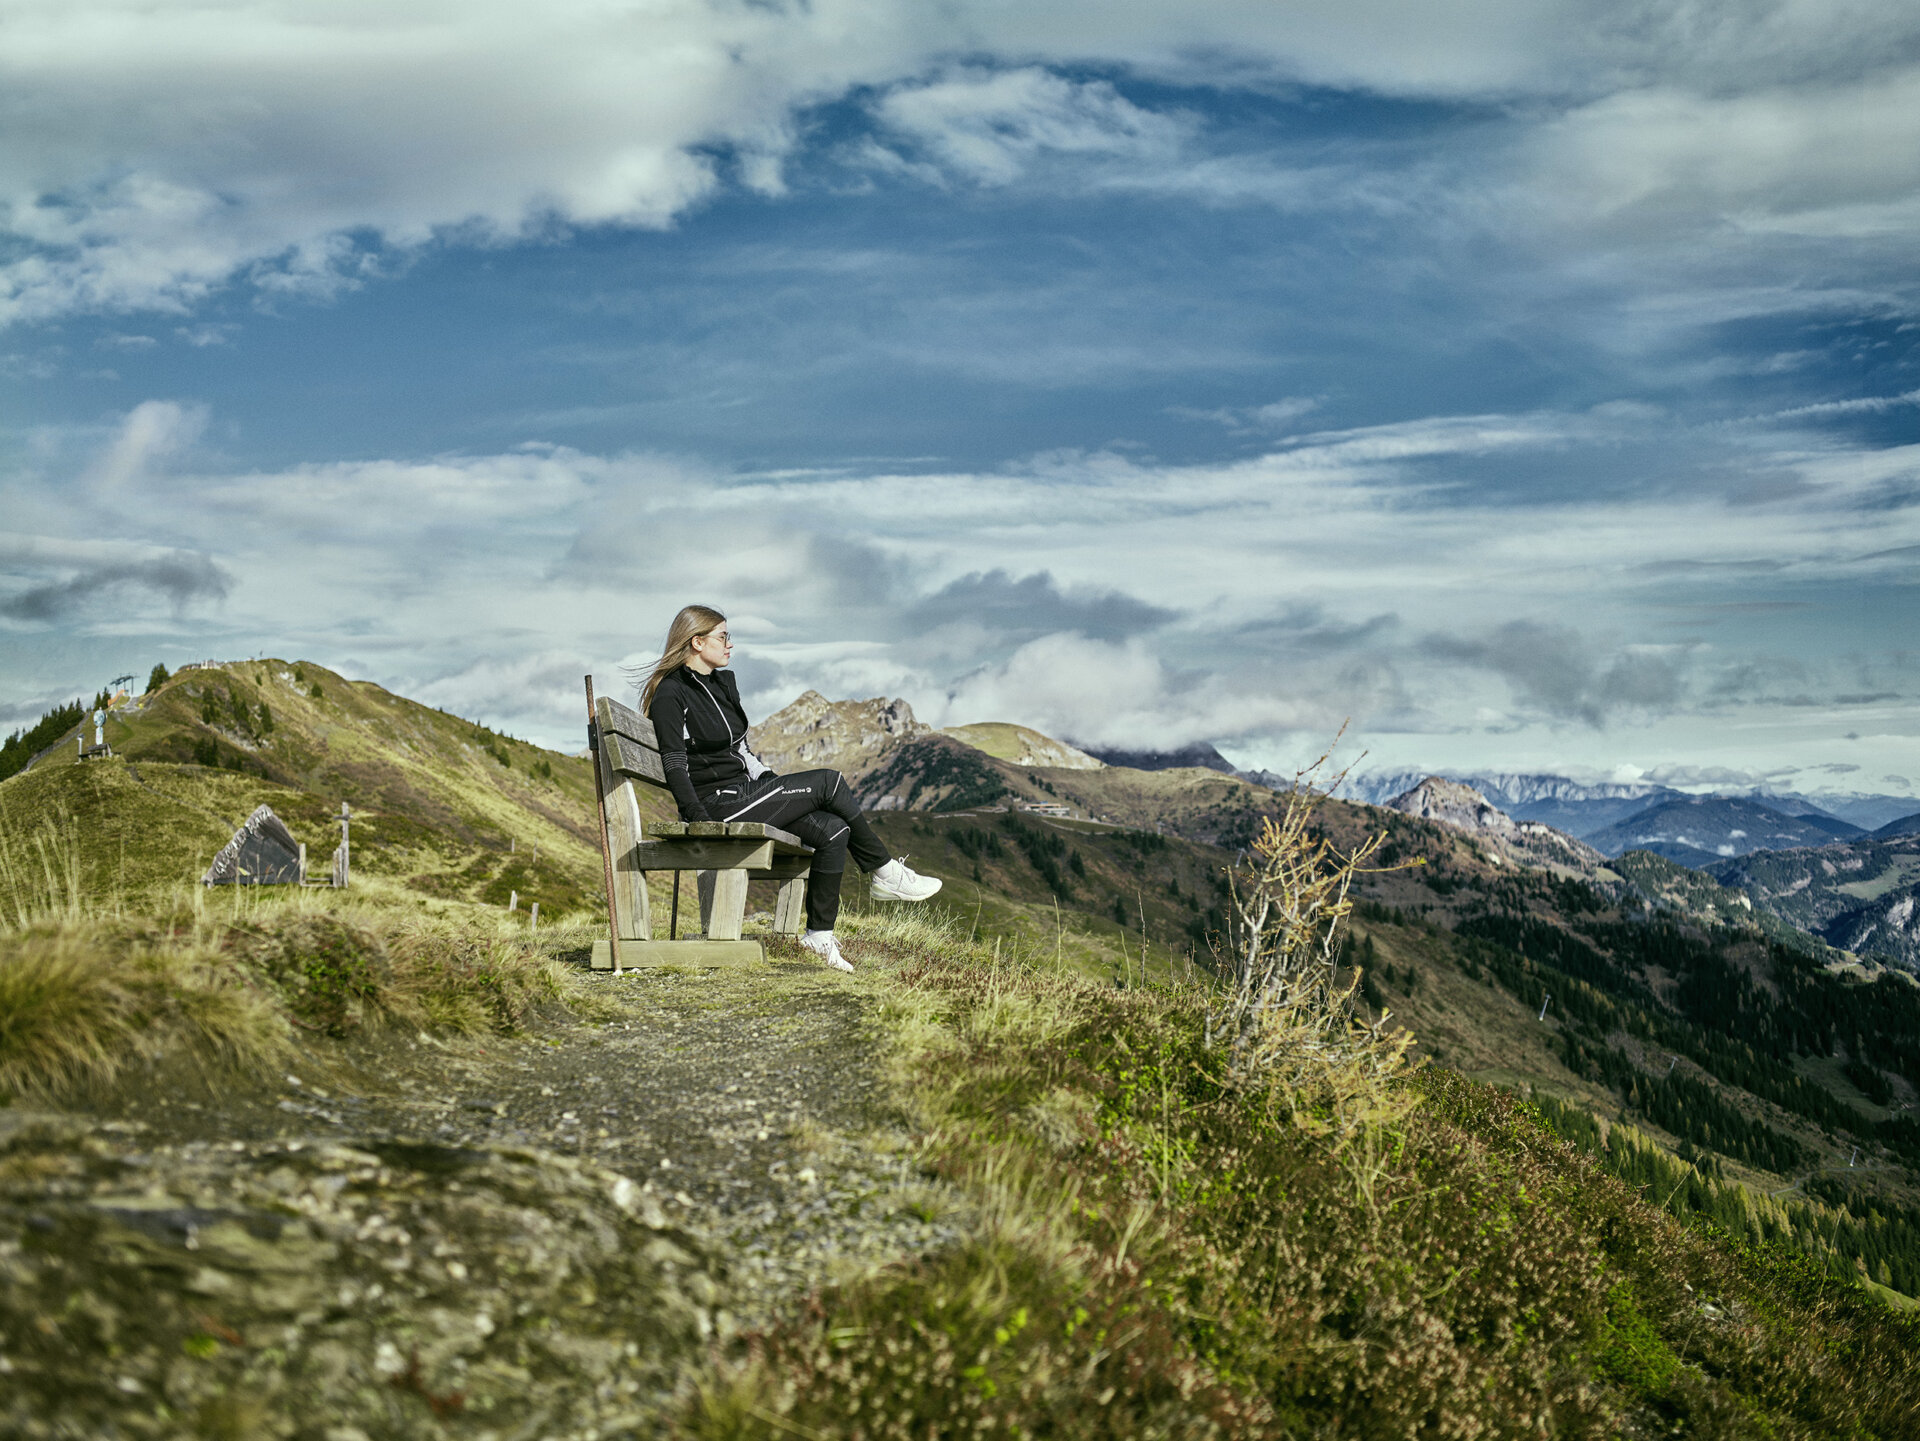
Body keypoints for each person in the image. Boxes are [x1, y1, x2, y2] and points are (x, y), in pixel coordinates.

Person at [637, 604, 941, 972]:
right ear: (697, 642)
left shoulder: (720, 685)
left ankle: (818, 936)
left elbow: (741, 748)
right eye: (723, 636)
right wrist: (698, 817)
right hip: (717, 806)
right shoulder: (672, 692)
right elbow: (674, 762)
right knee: (830, 781)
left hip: (745, 794)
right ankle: (885, 872)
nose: (730, 644)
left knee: (833, 829)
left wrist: (771, 784)